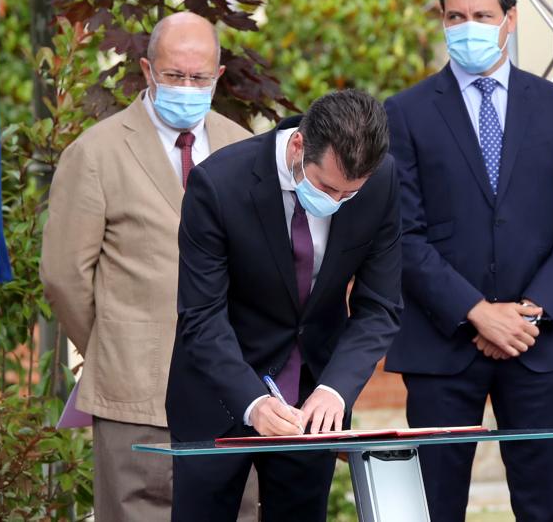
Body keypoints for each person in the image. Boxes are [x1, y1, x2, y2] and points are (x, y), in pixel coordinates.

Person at [383, 0, 553, 521]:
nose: (468, 27)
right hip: (441, 343)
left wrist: (526, 315)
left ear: (510, 19)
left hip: (538, 345)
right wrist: (478, 313)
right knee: (434, 507)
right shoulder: (404, 113)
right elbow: (403, 234)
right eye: (455, 17)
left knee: (544, 505)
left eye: (482, 15)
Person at [41, 12, 254, 520]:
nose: (187, 87)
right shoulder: (95, 153)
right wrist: (114, 344)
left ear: (218, 76)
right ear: (146, 70)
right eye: (174, 75)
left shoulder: (244, 147)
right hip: (133, 392)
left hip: (233, 393)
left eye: (199, 77)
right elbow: (64, 275)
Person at [165, 89, 403, 522]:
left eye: (350, 194)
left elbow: (380, 307)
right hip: (218, 396)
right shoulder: (218, 185)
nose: (336, 202)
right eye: (327, 187)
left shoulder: (382, 180)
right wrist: (253, 402)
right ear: (298, 145)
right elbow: (201, 316)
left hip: (313, 403)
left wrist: (335, 389)